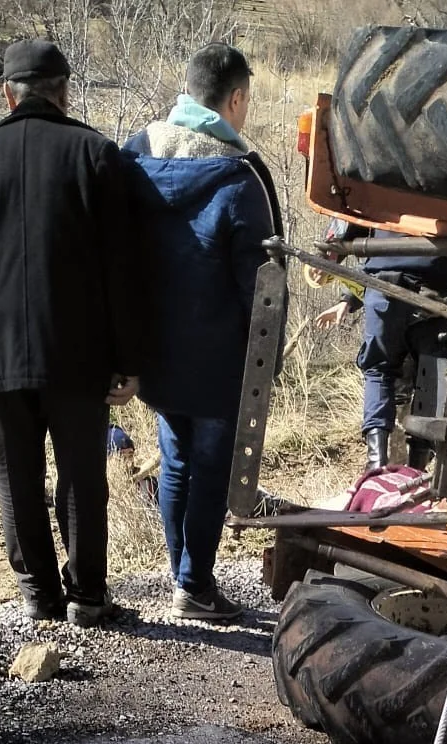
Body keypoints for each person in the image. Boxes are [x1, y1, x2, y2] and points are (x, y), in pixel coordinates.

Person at [0, 39, 139, 627]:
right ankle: (88, 597)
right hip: (77, 350)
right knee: (81, 473)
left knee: (15, 476)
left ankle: (38, 594)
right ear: (64, 91)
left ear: (8, 95)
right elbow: (121, 270)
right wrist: (128, 359)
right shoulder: (96, 154)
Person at [123, 42, 280, 623]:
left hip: (155, 354)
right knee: (209, 466)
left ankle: (181, 576)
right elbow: (263, 288)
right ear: (235, 99)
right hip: (217, 359)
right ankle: (193, 584)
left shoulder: (137, 155)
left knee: (177, 461)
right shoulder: (241, 179)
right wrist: (268, 367)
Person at [316, 222, 447, 471]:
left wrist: (343, 287)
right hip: (441, 295)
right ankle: (417, 468)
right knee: (431, 376)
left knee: (379, 372)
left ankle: (376, 464)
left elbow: (344, 231)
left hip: (386, 291)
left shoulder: (377, 195)